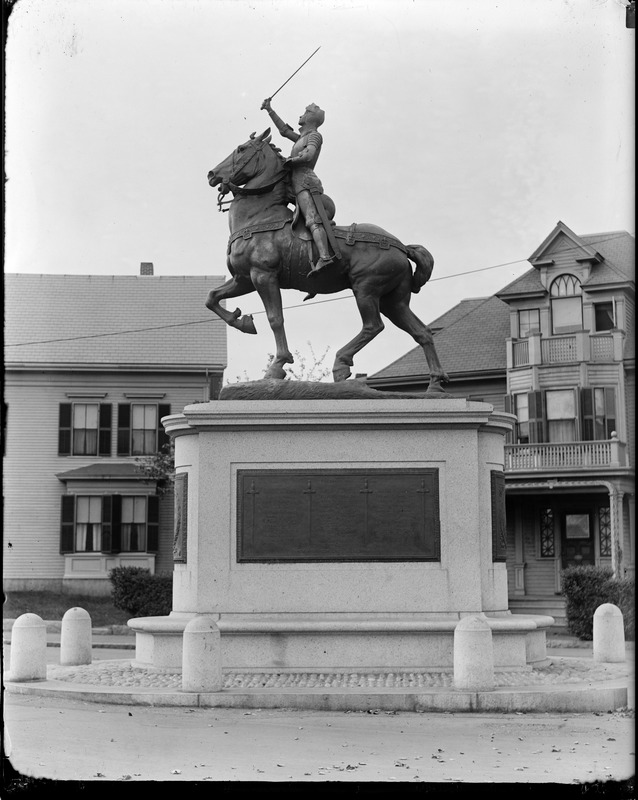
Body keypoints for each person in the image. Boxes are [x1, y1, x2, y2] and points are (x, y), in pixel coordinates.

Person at [261, 98, 337, 275]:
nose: (300, 115)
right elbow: (284, 131)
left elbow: (309, 155)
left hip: (305, 182)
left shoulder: (314, 136)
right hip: (294, 183)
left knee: (311, 219)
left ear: (310, 117)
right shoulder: (302, 137)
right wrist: (270, 110)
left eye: (304, 112)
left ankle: (325, 257)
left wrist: (290, 160)